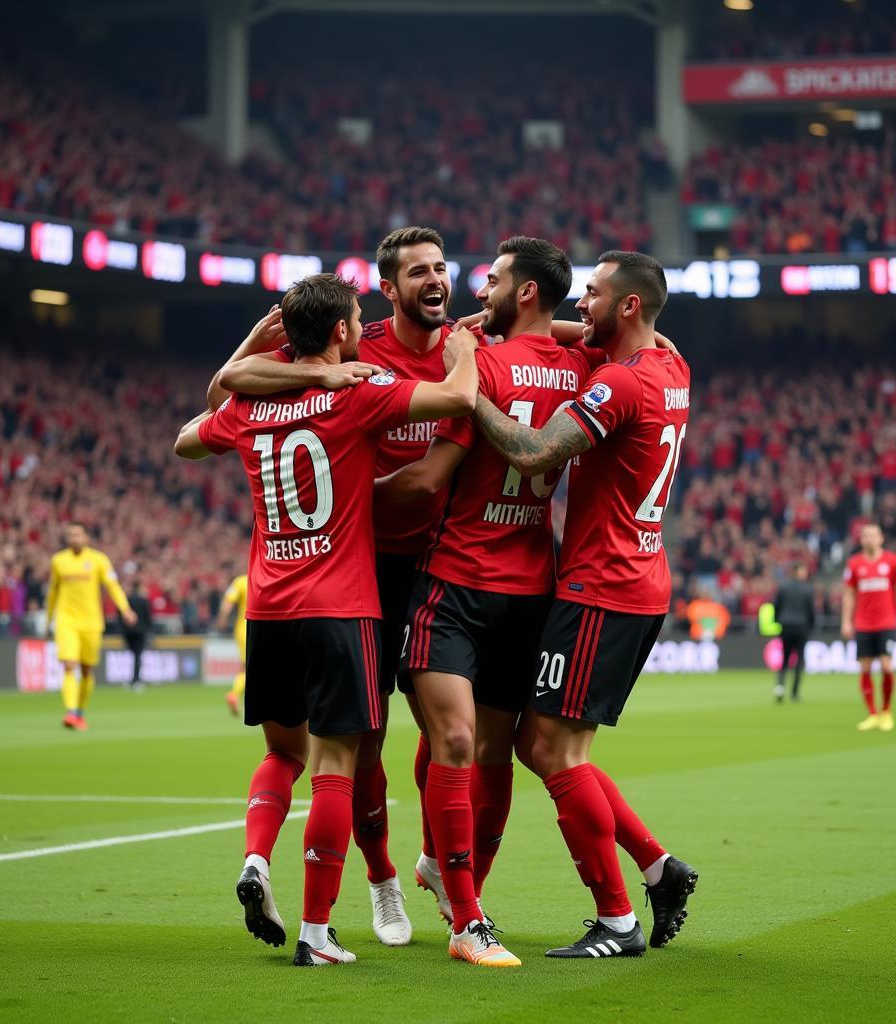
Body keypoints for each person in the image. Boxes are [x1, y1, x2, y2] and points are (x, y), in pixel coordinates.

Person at [174, 272, 478, 967]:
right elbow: (459, 398)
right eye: (358, 317)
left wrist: (256, 346)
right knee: (338, 764)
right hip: (342, 606)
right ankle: (315, 932)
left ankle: (257, 857)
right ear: (342, 331)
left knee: (283, 752)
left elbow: (187, 439)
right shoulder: (359, 396)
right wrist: (462, 346)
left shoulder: (248, 407)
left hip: (271, 607)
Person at [377, 236, 604, 968]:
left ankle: (453, 889)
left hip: (467, 580)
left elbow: (427, 478)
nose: (480, 291)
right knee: (471, 747)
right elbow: (608, 337)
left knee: (473, 748)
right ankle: (467, 916)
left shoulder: (476, 366)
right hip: (512, 585)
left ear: (526, 292)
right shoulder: (586, 368)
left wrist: (348, 502)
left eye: (495, 280)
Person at [472, 251, 698, 959]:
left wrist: (465, 393)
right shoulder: (672, 366)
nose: (581, 308)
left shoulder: (620, 386)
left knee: (555, 750)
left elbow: (537, 453)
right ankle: (660, 869)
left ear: (629, 307)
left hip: (602, 584)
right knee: (540, 744)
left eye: (594, 296)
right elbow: (599, 336)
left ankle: (617, 919)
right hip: (639, 578)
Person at [46, 522, 137, 730]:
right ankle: (70, 711)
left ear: (86, 538)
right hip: (67, 621)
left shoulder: (98, 560)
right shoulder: (59, 561)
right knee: (69, 665)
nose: (74, 538)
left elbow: (112, 586)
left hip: (91, 623)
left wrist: (125, 609)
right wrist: (49, 619)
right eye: (70, 535)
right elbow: (53, 593)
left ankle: (80, 711)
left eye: (78, 534)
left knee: (86, 671)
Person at [841, 522, 896, 732]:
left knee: (887, 666)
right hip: (863, 623)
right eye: (865, 536)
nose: (869, 539)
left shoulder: (893, 561)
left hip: (886, 622)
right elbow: (848, 595)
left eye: (873, 535)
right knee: (864, 668)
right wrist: (846, 620)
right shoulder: (854, 564)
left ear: (881, 538)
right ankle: (872, 713)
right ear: (861, 540)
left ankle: (887, 711)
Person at [772, 564, 815, 702]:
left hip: (786, 625)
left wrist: (778, 621)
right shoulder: (807, 589)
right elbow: (811, 611)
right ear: (798, 572)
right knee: (800, 659)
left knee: (785, 658)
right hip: (801, 626)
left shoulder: (783, 587)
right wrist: (811, 626)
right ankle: (795, 693)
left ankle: (780, 687)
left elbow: (776, 606)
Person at [216, 572, 248, 715]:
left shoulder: (240, 581)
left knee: (246, 667)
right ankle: (234, 694)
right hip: (263, 629)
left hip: (242, 629)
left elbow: (227, 603)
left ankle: (235, 695)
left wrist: (221, 621)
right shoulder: (268, 578)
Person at [122, 579, 153, 691]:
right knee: (137, 656)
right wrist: (149, 630)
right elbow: (148, 617)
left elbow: (121, 616)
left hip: (128, 632)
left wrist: (122, 630)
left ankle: (132, 680)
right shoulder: (143, 600)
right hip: (140, 632)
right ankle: (136, 680)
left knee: (132, 655)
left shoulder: (127, 600)